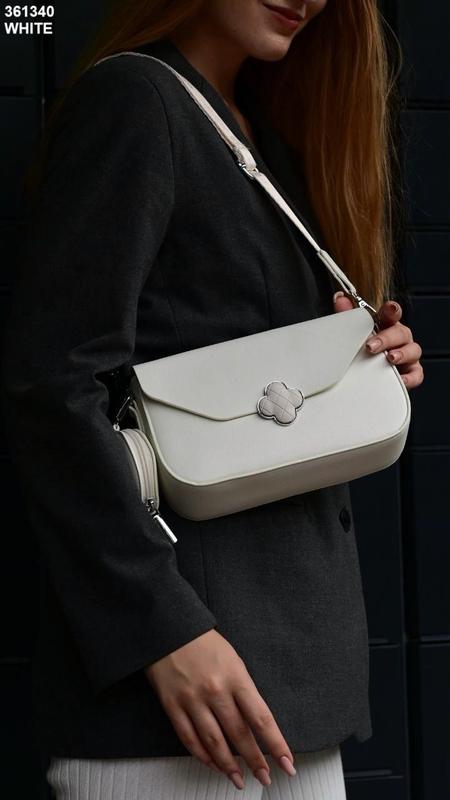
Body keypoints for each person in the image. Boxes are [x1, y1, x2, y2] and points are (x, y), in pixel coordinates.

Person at [1, 1, 424, 797]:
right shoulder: (137, 101)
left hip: (298, 679)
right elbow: (51, 388)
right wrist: (163, 631)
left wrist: (362, 353)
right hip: (179, 695)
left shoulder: (269, 135)